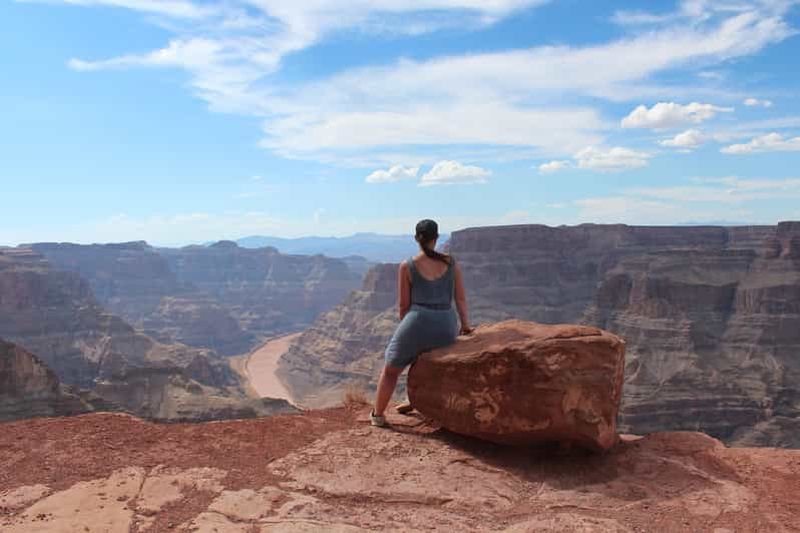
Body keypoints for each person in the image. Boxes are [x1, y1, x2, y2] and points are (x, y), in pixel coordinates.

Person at [370, 219, 472, 427]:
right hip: (446, 323)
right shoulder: (451, 263)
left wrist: (407, 329)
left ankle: (377, 415)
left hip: (418, 320)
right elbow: (460, 298)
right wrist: (465, 325)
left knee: (391, 370)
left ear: (416, 238)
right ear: (437, 238)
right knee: (428, 362)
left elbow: (403, 306)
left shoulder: (407, 266)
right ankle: (415, 400)